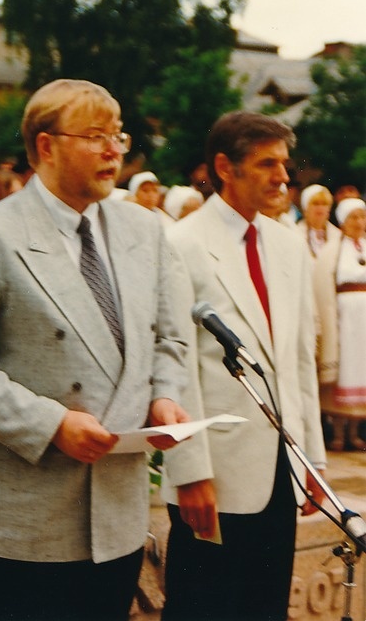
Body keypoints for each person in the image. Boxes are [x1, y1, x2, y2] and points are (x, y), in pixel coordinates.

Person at [0, 78, 191, 621]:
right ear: (46, 145)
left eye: (118, 135)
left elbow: (169, 335)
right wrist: (50, 424)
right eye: (95, 136)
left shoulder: (145, 228)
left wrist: (164, 396)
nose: (114, 150)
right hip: (27, 527)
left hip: (117, 519)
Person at [162, 111, 326, 621]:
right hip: (214, 478)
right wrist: (190, 472)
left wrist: (312, 460)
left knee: (265, 609)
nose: (283, 176)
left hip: (280, 472)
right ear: (224, 168)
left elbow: (298, 361)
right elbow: (174, 366)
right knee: (201, 610)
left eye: (284, 164)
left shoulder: (288, 245)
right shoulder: (181, 244)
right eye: (266, 164)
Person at [313, 197, 366, 451]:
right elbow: (324, 284)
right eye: (354, 217)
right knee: (344, 367)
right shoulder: (333, 251)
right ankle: (337, 431)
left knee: (361, 368)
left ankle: (355, 432)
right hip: (344, 319)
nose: (359, 222)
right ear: (343, 222)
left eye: (362, 217)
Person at [296, 184, 340, 258]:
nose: (320, 208)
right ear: (305, 208)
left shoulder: (337, 235)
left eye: (324, 204)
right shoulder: (296, 232)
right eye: (315, 204)